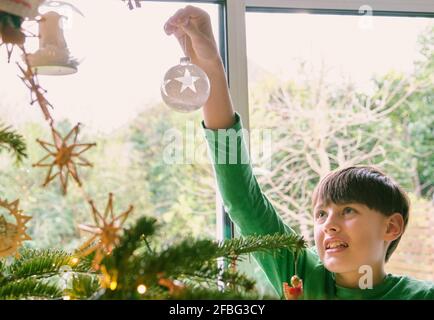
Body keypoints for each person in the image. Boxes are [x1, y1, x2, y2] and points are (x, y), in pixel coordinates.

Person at [164, 5, 434, 300]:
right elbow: (240, 197)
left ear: (391, 226)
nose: (328, 224)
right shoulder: (299, 275)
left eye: (348, 211)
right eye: (320, 214)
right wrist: (211, 66)